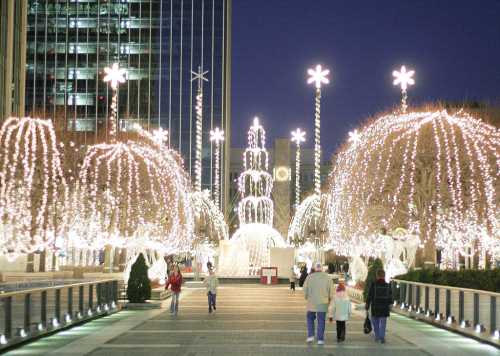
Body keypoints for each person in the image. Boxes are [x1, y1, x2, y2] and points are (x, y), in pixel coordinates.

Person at [303, 262, 333, 345]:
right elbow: (331, 291)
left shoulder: (309, 277)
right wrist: (330, 299)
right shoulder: (328, 277)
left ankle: (310, 336)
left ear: (315, 268)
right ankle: (320, 339)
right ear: (322, 268)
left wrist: (306, 297)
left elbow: (305, 289)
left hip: (311, 302)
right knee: (321, 320)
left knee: (310, 318)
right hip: (323, 302)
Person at [365, 269, 393, 343]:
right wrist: (390, 304)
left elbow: (369, 295)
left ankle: (377, 336)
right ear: (384, 276)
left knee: (375, 322)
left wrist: (367, 304)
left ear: (377, 276)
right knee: (383, 323)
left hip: (375, 307)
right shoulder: (388, 285)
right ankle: (382, 337)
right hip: (384, 308)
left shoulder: (373, 285)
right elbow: (390, 296)